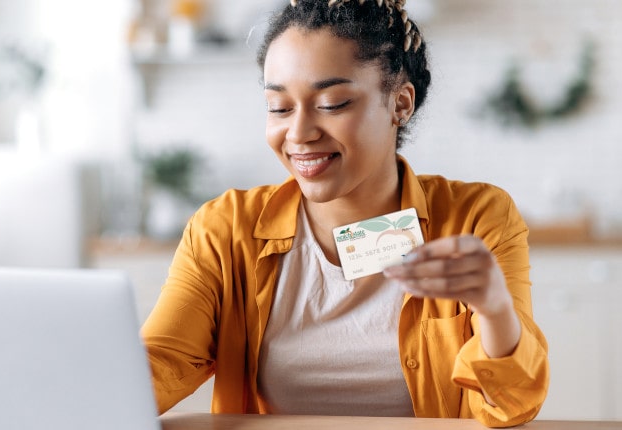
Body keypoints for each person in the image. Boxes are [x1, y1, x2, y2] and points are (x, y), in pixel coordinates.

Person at [141, 0, 549, 427]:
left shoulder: (475, 219)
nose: (298, 133)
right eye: (279, 107)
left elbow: (511, 405)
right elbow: (159, 365)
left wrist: (496, 309)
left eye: (333, 103)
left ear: (400, 103)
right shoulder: (224, 229)